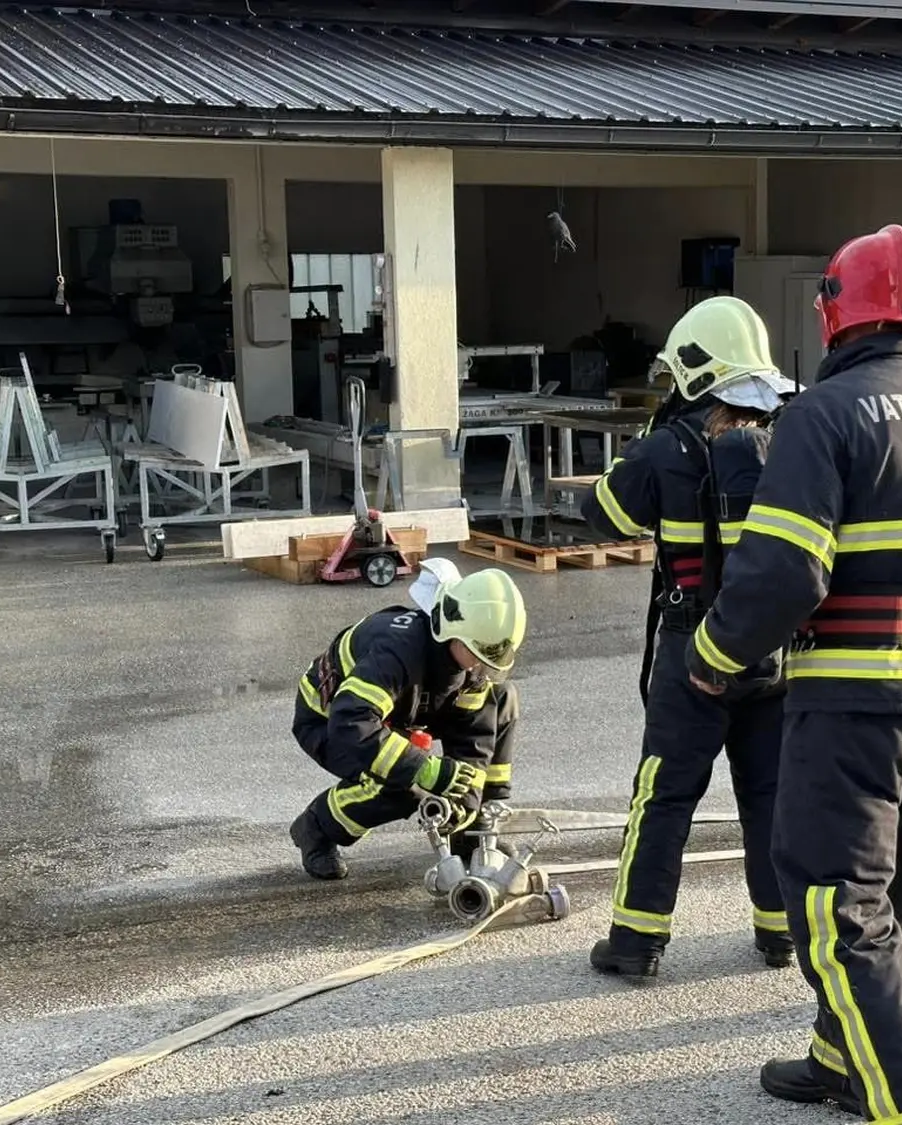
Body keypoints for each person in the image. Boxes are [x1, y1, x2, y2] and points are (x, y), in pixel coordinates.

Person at [685, 225, 902, 1124]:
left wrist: (712, 656)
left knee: (835, 909)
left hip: (851, 708)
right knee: (889, 901)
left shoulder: (823, 416)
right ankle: (840, 1059)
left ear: (836, 314)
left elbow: (784, 572)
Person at [581, 295, 799, 979]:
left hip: (691, 647)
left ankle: (637, 940)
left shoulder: (668, 446)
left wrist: (651, 436)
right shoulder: (787, 438)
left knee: (666, 794)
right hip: (769, 645)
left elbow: (602, 512)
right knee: (768, 794)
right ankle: (779, 932)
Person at [287, 563, 527, 880]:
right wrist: (423, 768)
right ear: (455, 634)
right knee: (405, 785)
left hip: (407, 709)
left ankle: (475, 833)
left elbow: (473, 736)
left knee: (501, 698)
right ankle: (317, 827)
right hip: (331, 720)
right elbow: (353, 722)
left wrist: (465, 804)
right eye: (479, 657)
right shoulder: (398, 651)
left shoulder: (465, 659)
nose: (482, 670)